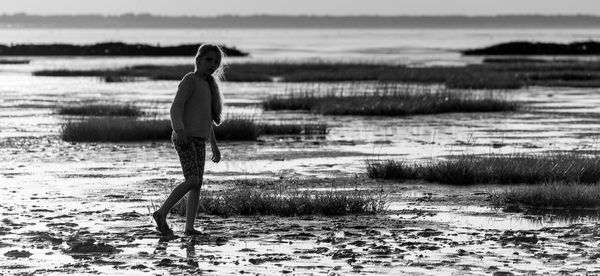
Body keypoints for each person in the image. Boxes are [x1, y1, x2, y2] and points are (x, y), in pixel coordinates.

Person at [153, 43, 224, 236]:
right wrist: (179, 130)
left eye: (216, 62)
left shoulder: (209, 86)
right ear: (198, 60)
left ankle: (189, 228)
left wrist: (215, 148)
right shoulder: (189, 80)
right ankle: (161, 213)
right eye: (209, 60)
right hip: (184, 138)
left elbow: (208, 121)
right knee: (192, 180)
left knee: (197, 184)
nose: (213, 64)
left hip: (200, 141)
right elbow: (175, 108)